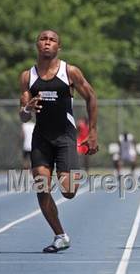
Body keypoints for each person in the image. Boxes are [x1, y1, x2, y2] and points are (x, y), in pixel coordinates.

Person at [19, 30, 98, 253]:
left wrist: (92, 132)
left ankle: (67, 172)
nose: (47, 43)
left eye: (52, 40)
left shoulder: (69, 72)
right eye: (43, 39)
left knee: (69, 191)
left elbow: (91, 97)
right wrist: (27, 108)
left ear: (58, 47)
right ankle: (60, 235)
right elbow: (23, 115)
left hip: (65, 137)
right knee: (42, 187)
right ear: (37, 45)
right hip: (41, 138)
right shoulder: (27, 76)